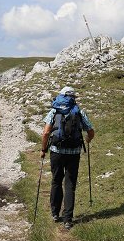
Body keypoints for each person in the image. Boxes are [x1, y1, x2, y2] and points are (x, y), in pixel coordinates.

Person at [40, 86, 94, 230]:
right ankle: (68, 219)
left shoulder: (54, 110)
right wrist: (88, 140)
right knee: (70, 184)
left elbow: (45, 133)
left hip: (56, 151)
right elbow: (90, 131)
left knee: (56, 180)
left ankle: (55, 213)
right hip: (74, 153)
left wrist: (43, 150)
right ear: (73, 98)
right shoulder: (79, 111)